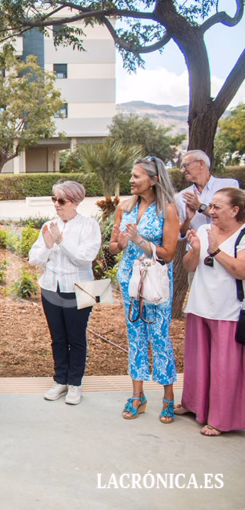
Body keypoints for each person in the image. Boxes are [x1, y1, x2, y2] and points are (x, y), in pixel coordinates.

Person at [109, 157, 179, 423]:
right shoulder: (124, 207)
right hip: (130, 280)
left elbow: (169, 254)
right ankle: (137, 396)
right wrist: (122, 243)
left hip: (156, 283)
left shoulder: (168, 211)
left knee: (160, 338)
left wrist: (139, 240)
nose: (131, 180)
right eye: (131, 175)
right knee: (135, 338)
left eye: (137, 176)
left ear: (154, 179)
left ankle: (168, 398)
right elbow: (113, 247)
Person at [178, 188, 245, 436]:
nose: (211, 211)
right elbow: (189, 266)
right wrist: (195, 250)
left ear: (235, 210)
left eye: (217, 207)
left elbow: (241, 271)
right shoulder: (206, 230)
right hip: (200, 305)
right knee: (198, 362)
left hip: (228, 311)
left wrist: (216, 250)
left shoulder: (243, 235)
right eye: (211, 206)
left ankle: (220, 418)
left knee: (223, 368)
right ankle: (194, 405)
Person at [29, 181, 101, 405]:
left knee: (76, 338)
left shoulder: (89, 226)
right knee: (57, 338)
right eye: (54, 199)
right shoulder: (49, 225)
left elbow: (84, 258)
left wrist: (61, 240)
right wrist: (49, 245)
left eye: (61, 200)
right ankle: (60, 380)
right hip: (51, 287)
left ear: (76, 201)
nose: (56, 205)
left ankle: (75, 384)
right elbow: (34, 259)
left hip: (80, 288)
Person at [175, 150, 239, 239]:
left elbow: (234, 218)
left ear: (201, 164)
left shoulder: (229, 186)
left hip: (226, 248)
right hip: (197, 250)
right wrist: (187, 220)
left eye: (186, 165)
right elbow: (180, 235)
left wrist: (200, 207)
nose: (183, 171)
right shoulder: (182, 196)